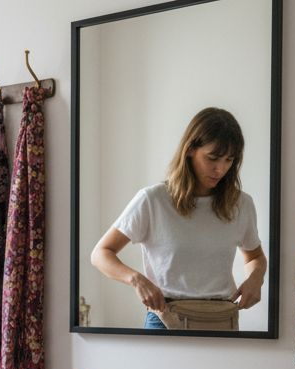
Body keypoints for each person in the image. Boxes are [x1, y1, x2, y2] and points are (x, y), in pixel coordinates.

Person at [90, 107, 267, 330]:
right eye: (212, 158)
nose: (220, 169)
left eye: (229, 160)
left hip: (221, 320)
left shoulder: (241, 204)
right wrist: (137, 280)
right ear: (191, 149)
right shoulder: (153, 200)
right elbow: (100, 254)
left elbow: (255, 258)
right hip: (165, 319)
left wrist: (256, 279)